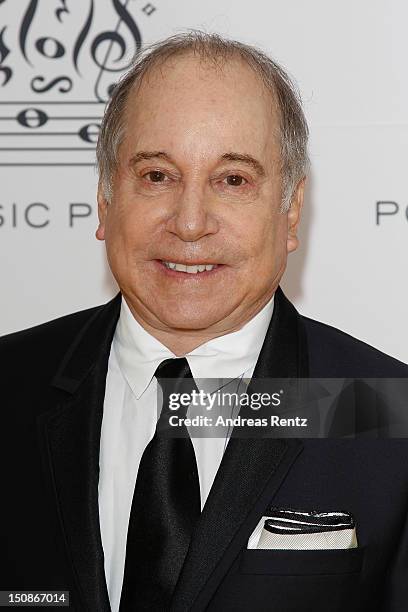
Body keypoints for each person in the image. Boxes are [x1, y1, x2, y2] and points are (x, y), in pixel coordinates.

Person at [1, 31, 407, 612]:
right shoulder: (8, 384)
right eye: (157, 176)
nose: (190, 223)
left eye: (233, 179)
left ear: (290, 210)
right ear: (105, 199)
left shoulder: (386, 411)